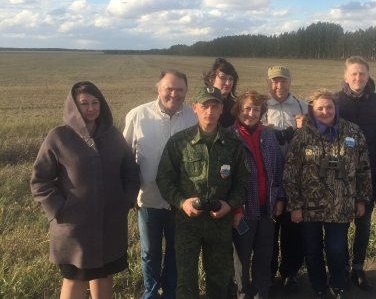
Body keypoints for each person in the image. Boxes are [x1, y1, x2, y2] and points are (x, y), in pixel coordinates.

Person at [31, 81, 141, 299]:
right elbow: (40, 180)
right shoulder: (59, 137)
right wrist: (60, 208)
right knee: (74, 279)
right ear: (73, 107)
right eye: (84, 104)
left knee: (104, 275)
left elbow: (130, 171)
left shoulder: (113, 136)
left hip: (110, 223)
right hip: (74, 227)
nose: (91, 108)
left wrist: (125, 199)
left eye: (95, 102)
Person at [156, 86, 251, 299]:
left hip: (220, 223)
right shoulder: (179, 142)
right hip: (187, 223)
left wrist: (231, 204)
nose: (209, 111)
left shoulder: (233, 143)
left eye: (214, 106)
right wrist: (181, 202)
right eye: (204, 106)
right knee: (186, 280)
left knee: (219, 279)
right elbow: (164, 178)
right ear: (195, 108)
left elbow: (243, 180)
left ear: (221, 109)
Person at [283, 89, 372, 299]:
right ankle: (319, 286)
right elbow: (290, 170)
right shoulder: (303, 134)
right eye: (320, 108)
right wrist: (294, 205)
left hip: (341, 205)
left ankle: (339, 284)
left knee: (336, 250)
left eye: (329, 107)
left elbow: (364, 169)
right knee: (312, 251)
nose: (325, 111)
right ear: (312, 111)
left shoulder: (353, 131)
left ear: (336, 108)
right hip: (309, 207)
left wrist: (361, 200)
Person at [123, 70, 197, 299]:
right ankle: (151, 293)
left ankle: (171, 293)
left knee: (176, 252)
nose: (174, 94)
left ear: (186, 91)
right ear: (158, 89)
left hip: (181, 202)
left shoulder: (193, 117)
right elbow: (125, 159)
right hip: (148, 199)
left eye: (180, 89)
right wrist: (130, 194)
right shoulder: (137, 116)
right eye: (169, 88)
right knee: (150, 252)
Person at [227, 90, 286, 299]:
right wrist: (236, 209)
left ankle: (262, 293)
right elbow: (227, 179)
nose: (251, 113)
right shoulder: (228, 136)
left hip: (267, 207)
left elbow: (278, 168)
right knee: (241, 256)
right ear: (238, 110)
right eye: (247, 108)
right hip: (243, 210)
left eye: (256, 109)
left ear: (262, 112)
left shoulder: (268, 135)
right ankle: (243, 293)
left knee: (264, 254)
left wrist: (280, 197)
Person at [335, 56, 376, 292]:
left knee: (364, 225)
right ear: (345, 76)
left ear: (368, 76)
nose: (358, 78)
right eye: (354, 74)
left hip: (369, 175)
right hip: (340, 177)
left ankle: (358, 267)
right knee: (342, 225)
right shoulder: (334, 101)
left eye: (362, 74)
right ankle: (341, 268)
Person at [262, 66, 308, 295]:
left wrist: (305, 126)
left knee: (293, 231)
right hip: (268, 180)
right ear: (268, 82)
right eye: (274, 82)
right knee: (268, 231)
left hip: (295, 180)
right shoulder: (260, 107)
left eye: (283, 82)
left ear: (290, 82)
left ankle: (290, 273)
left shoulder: (302, 106)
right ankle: (267, 275)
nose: (279, 87)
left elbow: (315, 137)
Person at [203, 57, 240, 128]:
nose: (228, 83)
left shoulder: (236, 107)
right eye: (223, 78)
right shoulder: (203, 105)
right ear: (212, 80)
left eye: (231, 79)